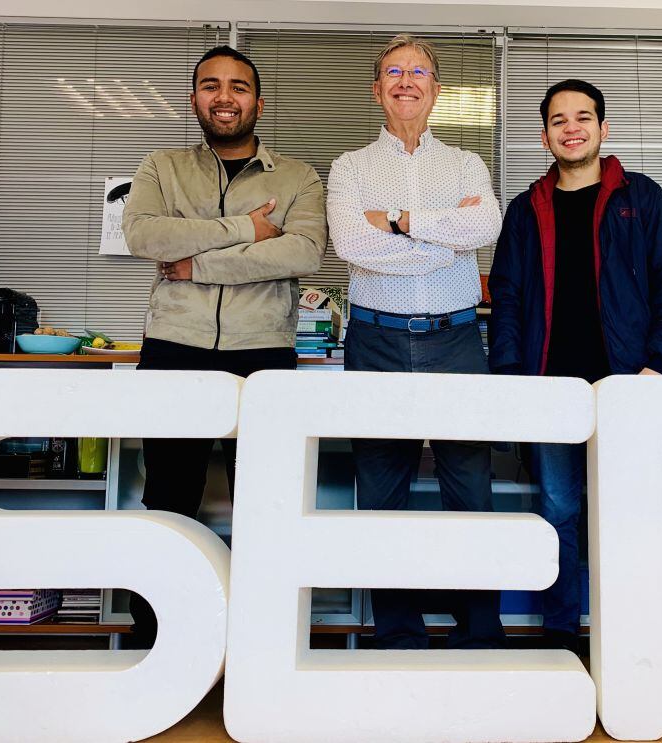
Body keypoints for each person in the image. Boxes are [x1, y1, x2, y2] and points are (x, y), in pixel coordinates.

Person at [121, 45, 327, 648]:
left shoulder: (298, 177)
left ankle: (260, 643)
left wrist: (196, 265)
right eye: (211, 85)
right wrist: (245, 231)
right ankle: (158, 641)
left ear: (258, 102)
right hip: (173, 347)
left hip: (261, 353)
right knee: (167, 498)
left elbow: (301, 253)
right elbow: (144, 234)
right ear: (194, 99)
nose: (224, 97)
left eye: (238, 87)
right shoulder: (162, 166)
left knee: (264, 502)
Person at [487, 78, 662, 652]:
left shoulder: (641, 197)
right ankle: (563, 632)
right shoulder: (527, 209)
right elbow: (505, 295)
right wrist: (510, 376)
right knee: (559, 509)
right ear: (544, 134)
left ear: (603, 129)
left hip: (627, 385)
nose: (571, 127)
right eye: (559, 120)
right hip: (551, 389)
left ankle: (629, 635)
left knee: (627, 512)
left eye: (583, 117)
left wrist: (660, 364)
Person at [326, 34, 504, 650]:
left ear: (436, 90)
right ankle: (397, 634)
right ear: (377, 90)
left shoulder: (466, 164)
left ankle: (479, 631)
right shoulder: (350, 167)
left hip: (456, 342)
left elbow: (484, 225)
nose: (406, 81)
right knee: (380, 497)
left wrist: (400, 224)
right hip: (374, 343)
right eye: (393, 72)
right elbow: (352, 246)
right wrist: (440, 241)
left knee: (470, 491)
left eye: (419, 71)